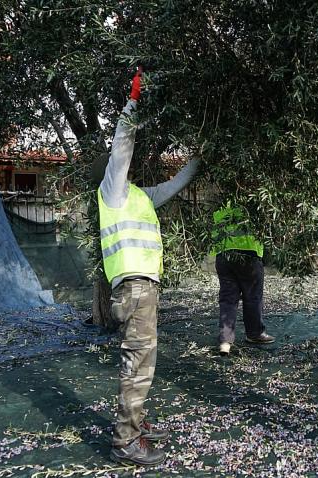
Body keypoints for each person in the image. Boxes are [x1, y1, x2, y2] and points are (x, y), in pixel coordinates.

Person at [100, 69, 200, 466]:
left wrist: (202, 154)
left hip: (144, 288)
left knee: (144, 362)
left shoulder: (141, 196)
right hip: (133, 287)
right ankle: (125, 441)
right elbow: (121, 150)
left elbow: (178, 182)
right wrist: (133, 105)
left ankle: (136, 424)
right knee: (138, 364)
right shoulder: (113, 192)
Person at [212, 201, 274, 355]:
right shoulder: (251, 204)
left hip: (223, 256)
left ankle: (225, 341)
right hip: (248, 255)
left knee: (228, 299)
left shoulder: (219, 207)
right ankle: (255, 334)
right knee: (252, 297)